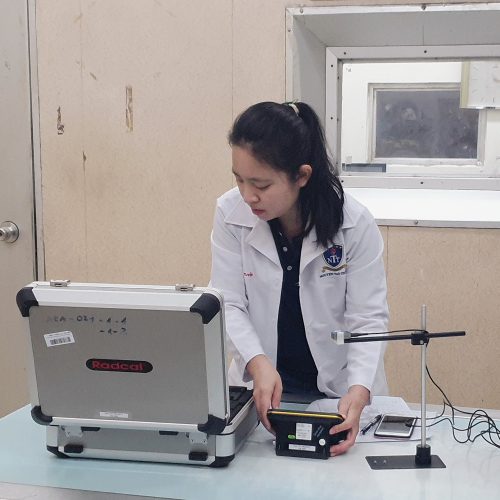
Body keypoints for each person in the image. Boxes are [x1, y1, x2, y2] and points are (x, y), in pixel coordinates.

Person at [210, 101, 388, 456]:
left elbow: (368, 318)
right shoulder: (230, 214)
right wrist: (258, 363)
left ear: (302, 176)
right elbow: (227, 303)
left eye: (261, 184)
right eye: (239, 179)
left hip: (337, 392)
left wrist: (359, 390)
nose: (247, 195)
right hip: (265, 390)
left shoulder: (353, 224)